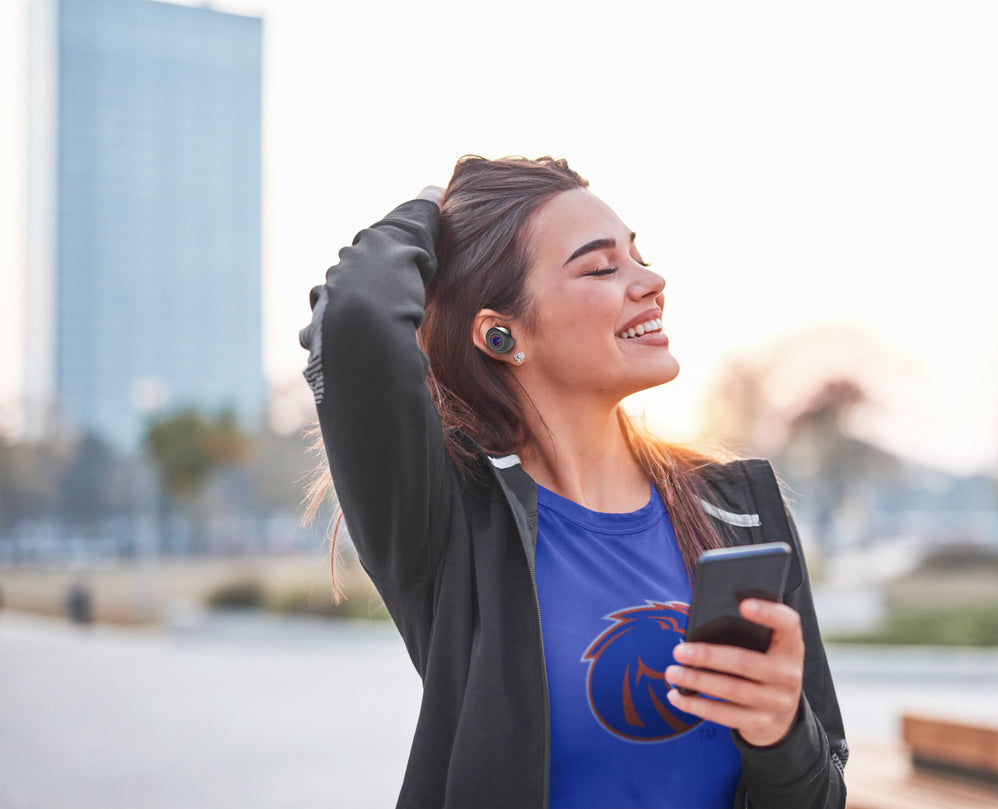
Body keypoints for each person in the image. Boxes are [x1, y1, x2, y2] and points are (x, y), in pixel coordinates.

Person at [300, 156, 847, 808]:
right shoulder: (452, 524)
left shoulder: (737, 507)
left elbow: (821, 795)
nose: (651, 280)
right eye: (601, 266)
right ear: (501, 334)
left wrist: (781, 729)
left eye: (639, 254)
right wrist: (437, 203)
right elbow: (356, 313)